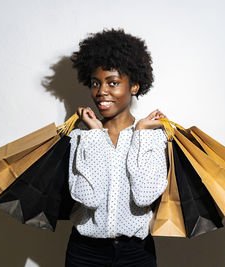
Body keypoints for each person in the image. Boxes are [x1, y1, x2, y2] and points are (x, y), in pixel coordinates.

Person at [66, 28, 168, 267]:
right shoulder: (81, 138)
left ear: (134, 86)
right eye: (95, 83)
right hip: (84, 254)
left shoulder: (152, 139)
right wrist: (94, 135)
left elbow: (144, 196)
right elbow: (88, 198)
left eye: (113, 83)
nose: (101, 92)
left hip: (136, 254)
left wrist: (141, 134)